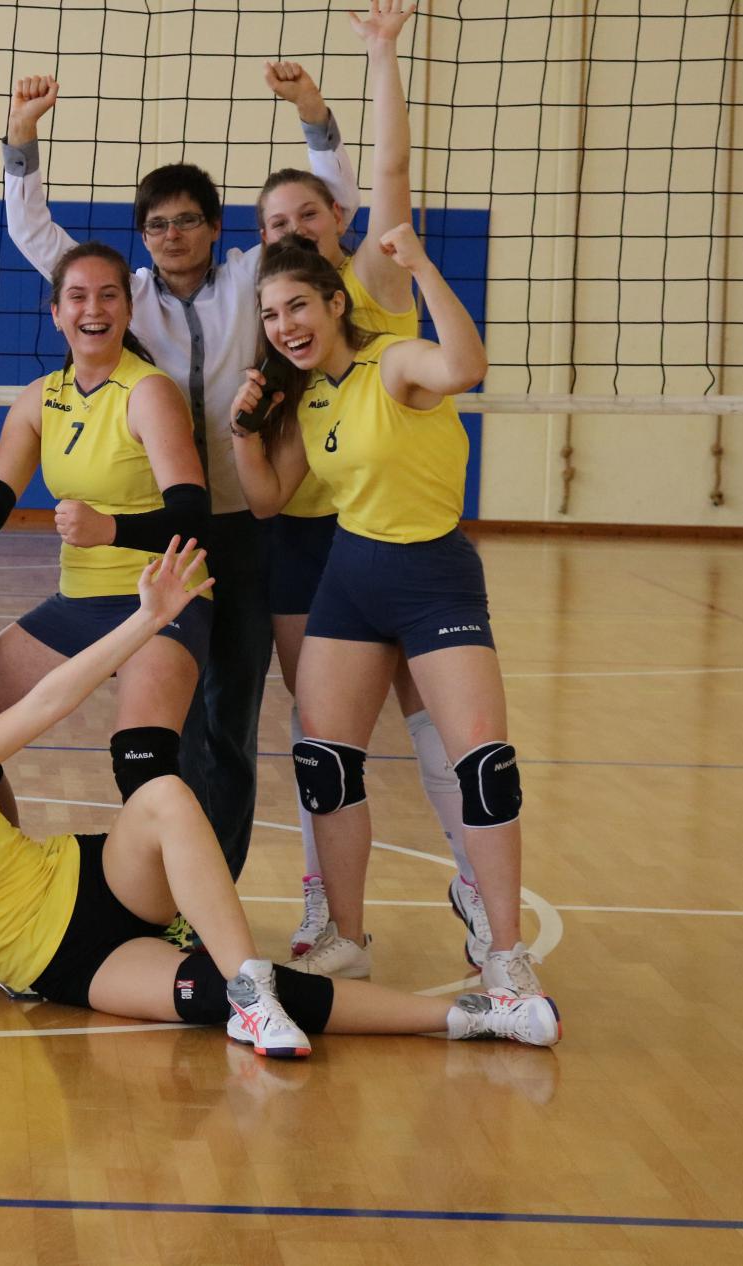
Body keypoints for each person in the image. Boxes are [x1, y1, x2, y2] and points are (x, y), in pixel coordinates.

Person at [0, 539, 560, 1054]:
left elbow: (46, 701)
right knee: (208, 998)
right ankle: (476, 1017)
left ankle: (249, 987)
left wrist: (147, 620)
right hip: (61, 967)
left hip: (98, 881)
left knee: (164, 793)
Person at [2, 67, 359, 882]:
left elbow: (328, 209)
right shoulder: (122, 299)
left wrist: (314, 115)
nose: (172, 235)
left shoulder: (255, 279)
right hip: (164, 538)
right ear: (142, 235)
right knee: (177, 717)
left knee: (230, 715)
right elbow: (34, 236)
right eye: (157, 224)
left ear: (215, 227)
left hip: (248, 528)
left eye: (188, 220)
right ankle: (164, 881)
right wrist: (21, 137)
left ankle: (213, 887)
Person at [227, 224, 541, 997]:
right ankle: (347, 939)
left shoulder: (395, 361)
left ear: (336, 303)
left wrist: (424, 266)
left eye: (298, 306)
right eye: (271, 314)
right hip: (351, 581)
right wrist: (242, 434)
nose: (285, 326)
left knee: (484, 767)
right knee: (325, 763)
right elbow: (267, 500)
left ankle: (506, 954)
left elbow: (466, 367)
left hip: (434, 578)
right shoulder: (309, 397)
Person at [248, 1, 490, 965]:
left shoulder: (375, 286)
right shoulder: (275, 315)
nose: (294, 229)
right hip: (311, 542)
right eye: (277, 223)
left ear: (338, 221)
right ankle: (326, 906)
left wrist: (381, 54)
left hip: (397, 531)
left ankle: (477, 887)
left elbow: (391, 170)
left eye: (309, 214)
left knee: (435, 726)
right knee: (322, 732)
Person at [0, 242, 209, 828]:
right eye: (78, 296)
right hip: (79, 601)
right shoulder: (42, 397)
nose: (94, 309)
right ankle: (6, 857)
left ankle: (163, 888)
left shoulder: (149, 392)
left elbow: (192, 515)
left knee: (141, 761)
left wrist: (109, 529)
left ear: (128, 310)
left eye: (109, 295)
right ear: (57, 313)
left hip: (161, 598)